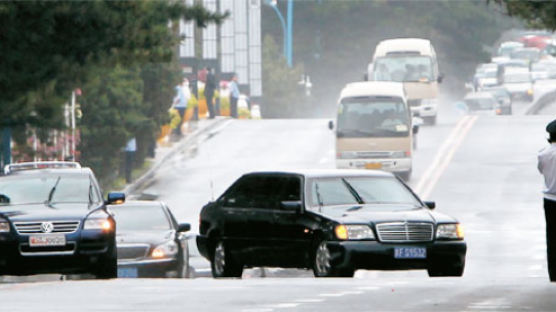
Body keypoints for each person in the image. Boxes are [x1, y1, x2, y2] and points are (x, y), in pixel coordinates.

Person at [538, 118, 556, 282]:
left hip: (550, 200)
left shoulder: (543, 154)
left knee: (552, 236)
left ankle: (554, 272)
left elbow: (541, 170)